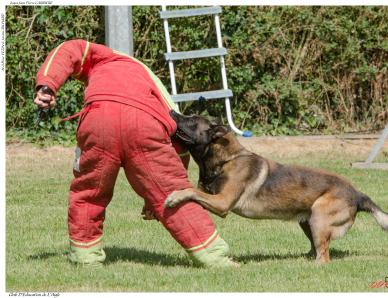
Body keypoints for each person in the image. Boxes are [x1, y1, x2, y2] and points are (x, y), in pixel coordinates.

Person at [34, 39, 237, 267]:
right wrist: (158, 193)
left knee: (88, 192)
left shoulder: (101, 56)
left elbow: (67, 49)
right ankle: (215, 257)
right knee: (173, 192)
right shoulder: (150, 81)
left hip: (98, 119)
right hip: (144, 123)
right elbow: (177, 139)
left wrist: (47, 85)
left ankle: (85, 257)